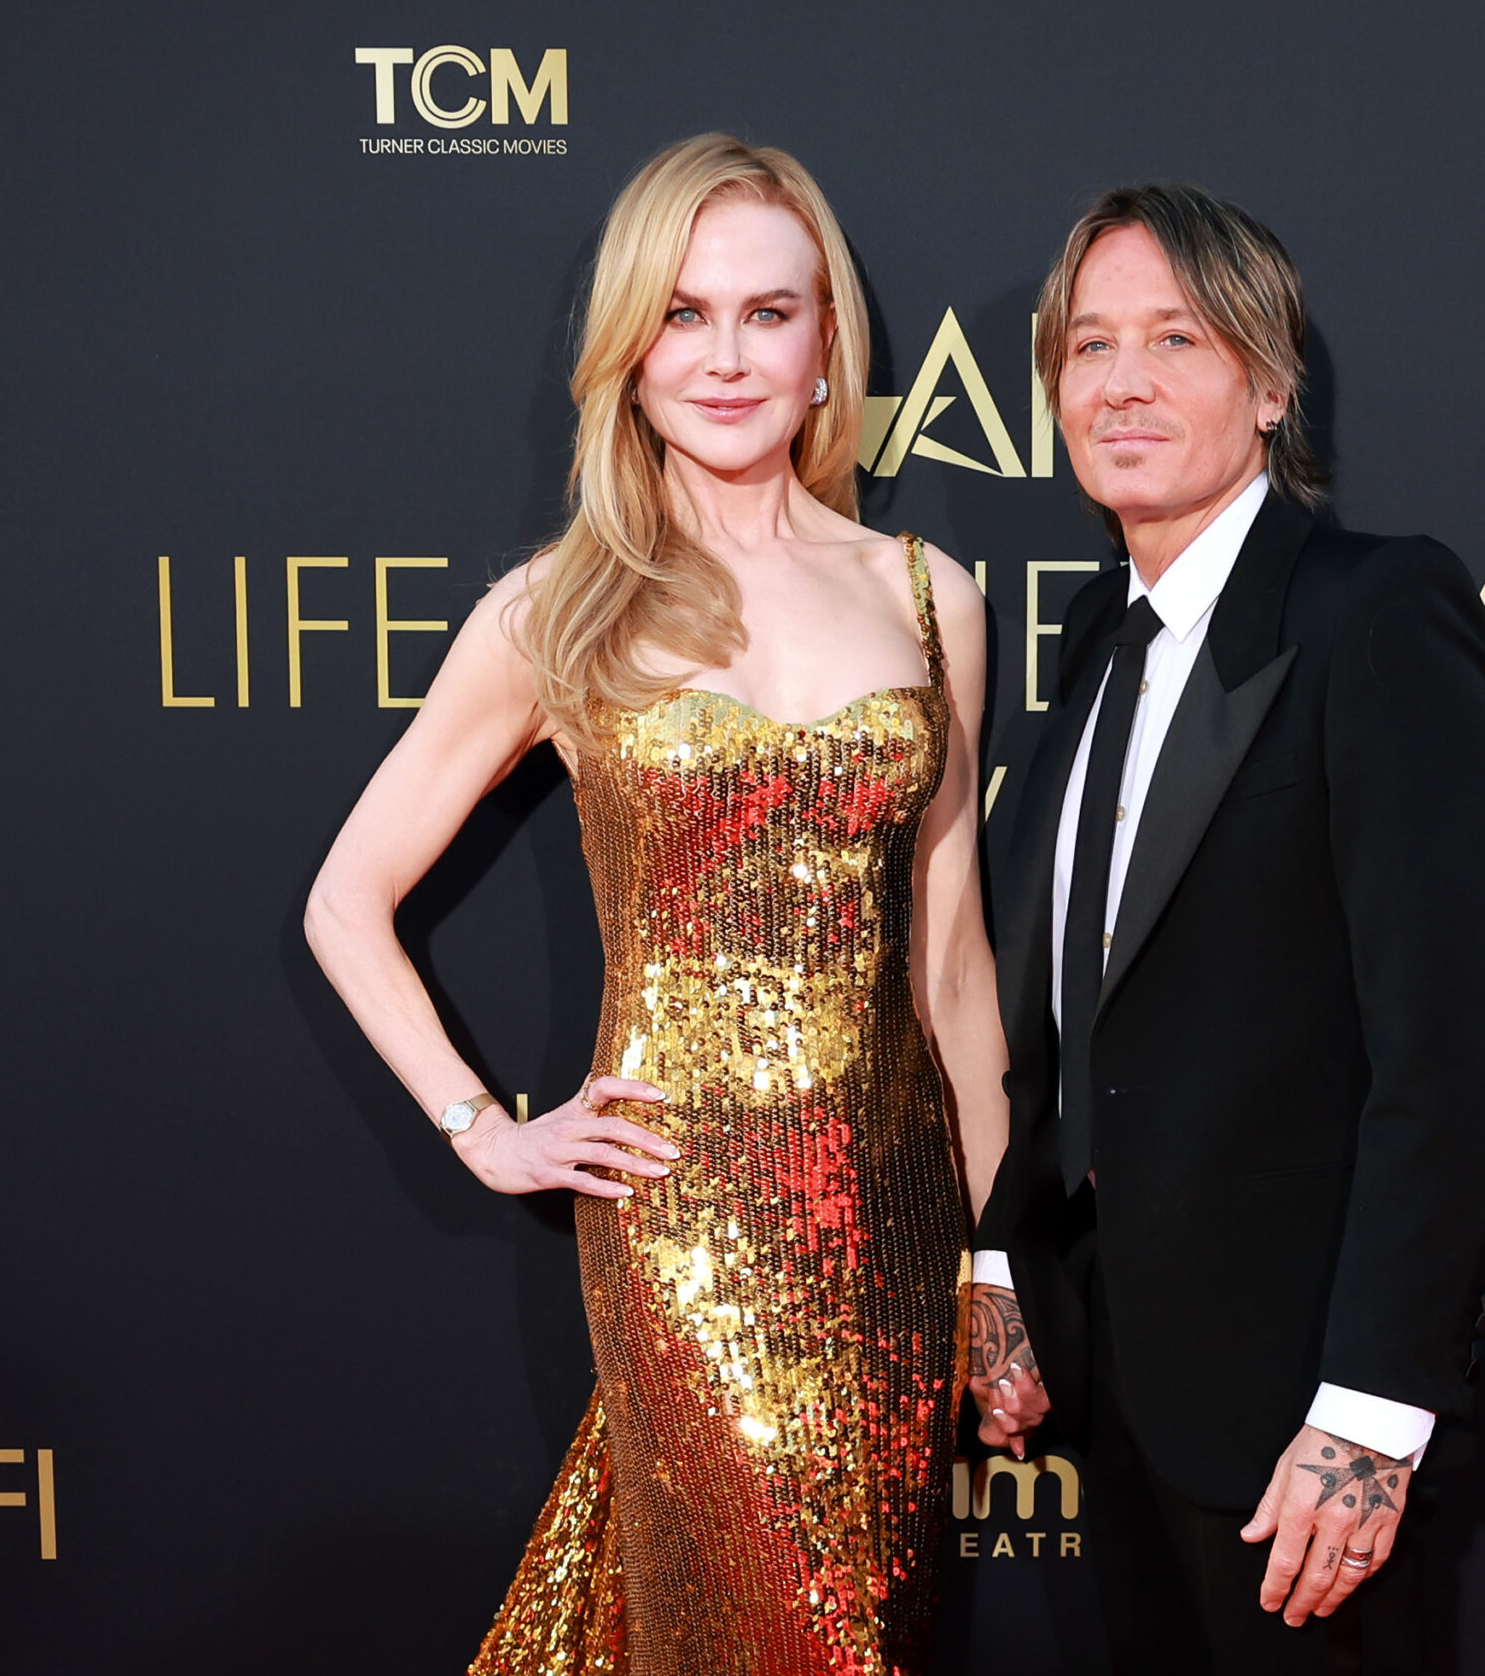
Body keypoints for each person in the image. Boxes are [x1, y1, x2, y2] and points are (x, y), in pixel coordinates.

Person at [304, 134, 1006, 1676]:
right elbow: (346, 899)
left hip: (896, 1223)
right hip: (678, 1230)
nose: (727, 355)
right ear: (629, 350)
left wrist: (992, 1269)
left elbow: (954, 972)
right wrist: (483, 1125)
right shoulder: (558, 608)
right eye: (683, 315)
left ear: (831, 347)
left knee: (866, 1633)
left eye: (769, 312)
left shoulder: (928, 595)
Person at [963, 184, 1485, 1673]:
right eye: (1089, 345)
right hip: (1122, 1388)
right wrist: (1002, 1261)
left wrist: (1370, 1410)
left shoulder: (1373, 614)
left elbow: (1449, 1052)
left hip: (1298, 1418)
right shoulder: (1093, 631)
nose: (1123, 381)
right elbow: (1059, 1007)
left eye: (1176, 338)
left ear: (1269, 385)